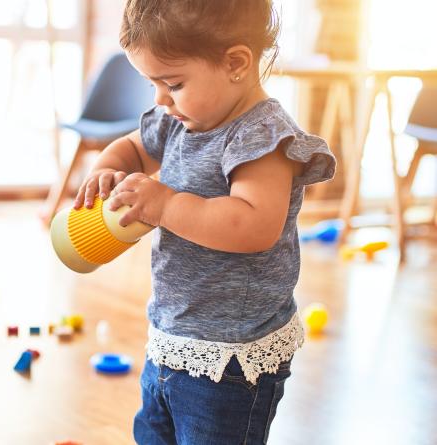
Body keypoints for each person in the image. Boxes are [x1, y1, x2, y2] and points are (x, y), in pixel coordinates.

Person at [73, 0, 337, 443]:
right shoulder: (180, 120)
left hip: (232, 357)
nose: (160, 99)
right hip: (173, 334)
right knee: (155, 434)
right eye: (153, 83)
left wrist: (166, 206)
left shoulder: (262, 137)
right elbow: (132, 148)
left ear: (235, 63)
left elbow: (252, 226)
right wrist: (106, 167)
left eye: (172, 83)